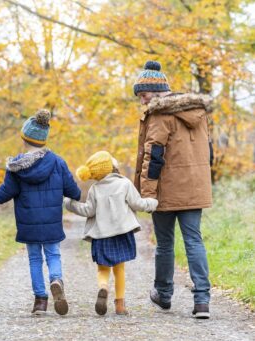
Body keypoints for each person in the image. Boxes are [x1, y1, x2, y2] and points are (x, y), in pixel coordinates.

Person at [133, 60, 213, 319]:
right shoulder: (197, 112)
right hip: (194, 187)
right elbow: (207, 151)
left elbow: (153, 155)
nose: (142, 101)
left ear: (156, 92)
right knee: (194, 240)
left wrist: (147, 194)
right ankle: (202, 300)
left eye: (143, 95)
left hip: (166, 190)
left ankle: (164, 294)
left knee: (165, 244)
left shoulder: (160, 114)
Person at [0, 110, 81, 316]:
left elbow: (5, 193)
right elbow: (73, 191)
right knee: (53, 254)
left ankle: (40, 301)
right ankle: (56, 279)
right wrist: (76, 195)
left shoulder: (16, 166)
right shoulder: (57, 162)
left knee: (35, 259)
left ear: (24, 137)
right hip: (52, 221)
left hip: (28, 222)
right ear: (43, 139)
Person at [65, 151, 158, 315]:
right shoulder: (125, 184)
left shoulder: (95, 189)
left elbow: (88, 211)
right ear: (112, 168)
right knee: (119, 269)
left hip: (101, 235)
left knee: (103, 269)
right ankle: (120, 305)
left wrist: (70, 204)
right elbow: (138, 204)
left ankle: (103, 287)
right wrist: (152, 203)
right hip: (121, 233)